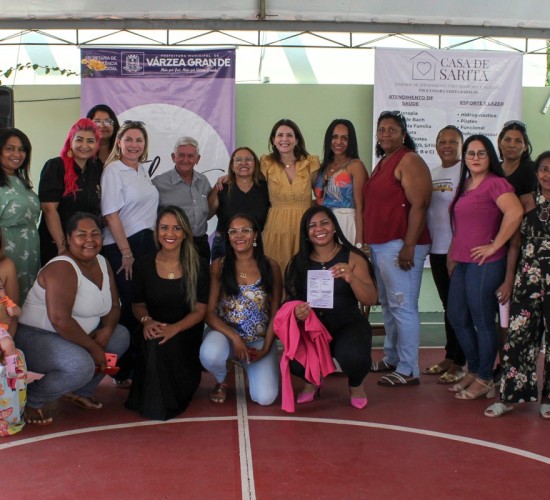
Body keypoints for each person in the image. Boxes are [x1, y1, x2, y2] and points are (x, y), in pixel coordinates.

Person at [15, 212, 130, 425]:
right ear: (68, 239)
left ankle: (80, 391)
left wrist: (106, 331)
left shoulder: (102, 261)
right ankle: (32, 400)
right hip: (37, 336)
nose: (89, 240)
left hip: (74, 335)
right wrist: (94, 348)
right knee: (80, 365)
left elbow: (114, 305)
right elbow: (60, 320)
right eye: (81, 235)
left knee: (120, 335)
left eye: (95, 234)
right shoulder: (62, 267)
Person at [447, 135, 523, 401]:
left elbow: (515, 212)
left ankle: (485, 378)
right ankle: (475, 369)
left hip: (486, 263)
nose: (475, 158)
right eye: (470, 153)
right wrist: (452, 254)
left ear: (490, 157)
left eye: (481, 153)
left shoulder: (495, 183)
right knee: (457, 317)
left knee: (482, 320)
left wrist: (494, 246)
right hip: (463, 261)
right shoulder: (466, 183)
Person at [282, 206, 377, 408]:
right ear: (306, 233)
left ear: (334, 227)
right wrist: (296, 312)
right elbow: (289, 300)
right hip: (313, 328)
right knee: (295, 363)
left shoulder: (353, 257)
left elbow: (370, 299)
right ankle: (312, 380)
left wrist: (352, 278)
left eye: (324, 223)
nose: (319, 228)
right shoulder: (299, 262)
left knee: (354, 357)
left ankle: (356, 385)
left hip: (347, 324)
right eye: (312, 225)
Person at [363, 111, 432, 387]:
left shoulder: (409, 159)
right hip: (381, 246)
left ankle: (408, 368)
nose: (386, 134)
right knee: (390, 306)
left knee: (403, 307)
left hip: (400, 245)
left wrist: (409, 244)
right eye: (382, 129)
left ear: (403, 134)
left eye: (392, 129)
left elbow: (421, 204)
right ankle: (392, 357)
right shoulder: (384, 162)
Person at [126, 206, 209, 420]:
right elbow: (137, 304)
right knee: (154, 342)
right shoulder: (143, 264)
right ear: (156, 231)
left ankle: (171, 396)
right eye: (164, 228)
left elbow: (200, 310)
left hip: (185, 330)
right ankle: (156, 404)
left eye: (176, 228)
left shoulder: (198, 265)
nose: (169, 234)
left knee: (164, 343)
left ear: (185, 233)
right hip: (152, 326)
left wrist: (175, 328)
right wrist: (147, 322)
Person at [484, 151, 550, 419]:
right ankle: (510, 397)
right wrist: (510, 278)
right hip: (527, 279)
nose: (548, 174)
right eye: (544, 169)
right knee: (518, 338)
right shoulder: (525, 201)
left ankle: (548, 399)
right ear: (536, 173)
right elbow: (514, 244)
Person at [200, 214, 282, 405]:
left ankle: (249, 366)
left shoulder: (271, 266)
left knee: (265, 398)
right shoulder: (219, 265)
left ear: (255, 235)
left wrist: (265, 349)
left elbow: (275, 313)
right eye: (233, 231)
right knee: (211, 354)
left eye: (245, 230)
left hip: (257, 341)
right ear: (228, 236)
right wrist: (235, 338)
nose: (239, 235)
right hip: (225, 337)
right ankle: (222, 378)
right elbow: (208, 314)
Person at [101, 120, 159, 386]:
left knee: (142, 303)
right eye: (129, 140)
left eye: (139, 140)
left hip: (146, 244)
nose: (134, 145)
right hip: (122, 246)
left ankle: (138, 366)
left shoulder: (142, 171)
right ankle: (120, 370)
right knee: (127, 305)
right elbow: (111, 214)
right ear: (119, 143)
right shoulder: (114, 170)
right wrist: (126, 252)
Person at [494, 120, 537, 380]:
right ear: (499, 143)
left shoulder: (530, 171)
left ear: (525, 146)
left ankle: (512, 369)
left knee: (513, 315)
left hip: (520, 250)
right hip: (494, 247)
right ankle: (500, 364)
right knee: (497, 313)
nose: (512, 144)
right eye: (507, 139)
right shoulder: (494, 169)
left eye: (518, 141)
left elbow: (526, 212)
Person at [423, 125, 466, 383]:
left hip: (457, 252)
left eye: (453, 141)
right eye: (443, 141)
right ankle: (450, 356)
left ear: (461, 146)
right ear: (436, 145)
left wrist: (456, 249)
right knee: (448, 306)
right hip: (437, 250)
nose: (447, 146)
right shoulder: (433, 173)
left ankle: (461, 362)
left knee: (459, 309)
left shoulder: (466, 172)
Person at [38, 118, 102, 265]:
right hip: (56, 244)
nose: (84, 145)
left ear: (96, 144)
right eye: (79, 139)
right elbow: (48, 209)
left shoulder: (96, 169)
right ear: (70, 141)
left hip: (86, 245)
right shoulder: (55, 166)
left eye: (90, 141)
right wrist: (62, 247)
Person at [260, 119, 320, 273]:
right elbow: (247, 178)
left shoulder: (310, 163)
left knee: (304, 271)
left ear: (297, 139)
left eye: (289, 135)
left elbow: (322, 195)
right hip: (276, 227)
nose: (284, 139)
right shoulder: (266, 163)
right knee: (276, 272)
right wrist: (228, 177)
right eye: (280, 135)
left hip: (305, 226)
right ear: (273, 140)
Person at [153, 137, 215, 261]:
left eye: (190, 156)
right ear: (173, 157)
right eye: (181, 155)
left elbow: (207, 212)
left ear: (197, 159)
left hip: (200, 245)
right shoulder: (159, 183)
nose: (185, 160)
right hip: (173, 246)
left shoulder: (203, 181)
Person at [0, 128, 40, 303]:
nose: (17, 154)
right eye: (10, 148)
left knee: (27, 305)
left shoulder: (20, 181)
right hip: (7, 252)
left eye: (22, 149)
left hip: (30, 251)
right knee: (9, 306)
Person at [209, 147, 270, 260]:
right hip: (224, 244)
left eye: (248, 159)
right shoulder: (221, 188)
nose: (243, 163)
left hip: (257, 244)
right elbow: (207, 214)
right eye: (238, 160)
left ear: (255, 164)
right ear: (232, 166)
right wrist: (215, 189)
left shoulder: (265, 188)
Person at [313, 119, 367, 245]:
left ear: (350, 141)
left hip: (347, 223)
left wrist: (359, 243)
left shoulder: (356, 165)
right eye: (334, 137)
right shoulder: (321, 168)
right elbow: (320, 199)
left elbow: (360, 207)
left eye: (344, 138)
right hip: (324, 226)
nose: (338, 142)